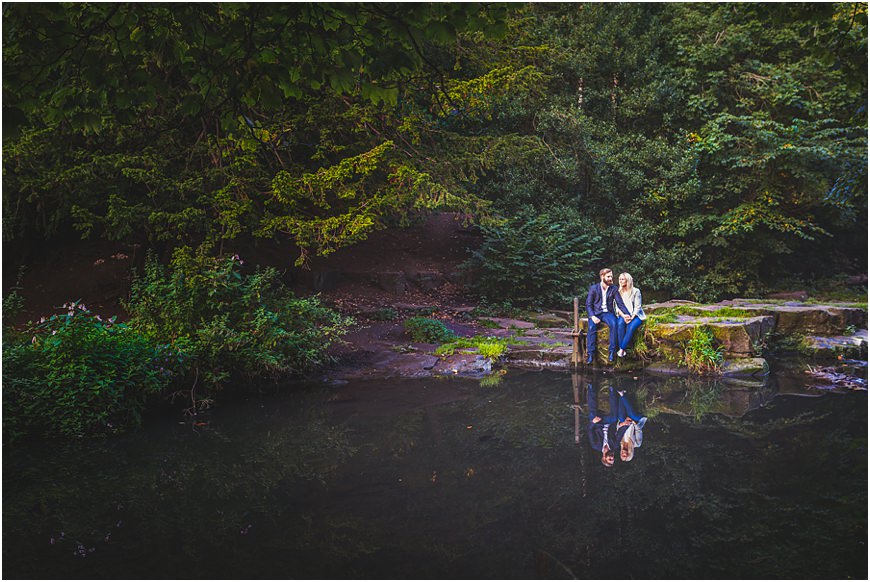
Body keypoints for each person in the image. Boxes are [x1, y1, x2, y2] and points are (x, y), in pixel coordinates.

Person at [585, 268, 628, 364]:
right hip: (596, 313)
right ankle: (591, 354)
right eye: (608, 276)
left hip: (608, 313)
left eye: (611, 276)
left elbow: (620, 304)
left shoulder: (614, 289)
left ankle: (612, 352)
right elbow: (588, 304)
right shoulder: (594, 288)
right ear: (602, 277)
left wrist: (627, 314)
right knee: (591, 327)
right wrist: (592, 316)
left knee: (614, 324)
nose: (610, 278)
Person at [614, 272, 647, 358]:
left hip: (636, 316)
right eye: (620, 279)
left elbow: (637, 307)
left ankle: (621, 349)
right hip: (623, 315)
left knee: (631, 327)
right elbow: (617, 308)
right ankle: (622, 348)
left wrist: (631, 318)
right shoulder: (618, 292)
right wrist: (624, 316)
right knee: (620, 324)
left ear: (627, 280)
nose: (620, 281)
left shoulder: (636, 291)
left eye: (622, 279)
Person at [586, 384, 618, 467]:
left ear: (604, 458)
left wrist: (593, 422)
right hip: (609, 422)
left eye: (610, 459)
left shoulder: (595, 445)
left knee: (592, 415)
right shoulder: (614, 446)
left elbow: (589, 431)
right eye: (613, 459)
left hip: (598, 423)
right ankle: (612, 390)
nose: (612, 457)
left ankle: (591, 388)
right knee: (614, 417)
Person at [614, 389, 647, 462]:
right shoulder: (637, 444)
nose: (623, 453)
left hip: (625, 422)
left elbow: (618, 429)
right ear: (629, 454)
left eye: (621, 454)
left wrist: (622, 424)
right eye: (625, 455)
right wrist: (633, 422)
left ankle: (622, 395)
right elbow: (639, 430)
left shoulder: (620, 442)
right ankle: (622, 395)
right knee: (632, 415)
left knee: (621, 418)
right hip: (636, 421)